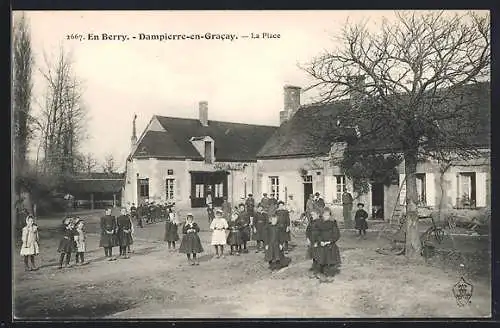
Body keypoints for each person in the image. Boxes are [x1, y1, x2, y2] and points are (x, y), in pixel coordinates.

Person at [317, 207, 341, 278]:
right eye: (324, 215)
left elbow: (336, 234)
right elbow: (317, 234)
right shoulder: (320, 224)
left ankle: (329, 273)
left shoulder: (333, 224)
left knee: (330, 259)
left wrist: (329, 241)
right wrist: (320, 241)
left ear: (330, 216)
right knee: (321, 259)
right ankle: (322, 272)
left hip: (330, 244)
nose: (326, 216)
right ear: (322, 215)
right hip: (321, 244)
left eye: (327, 215)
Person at [306, 210, 321, 275]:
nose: (312, 216)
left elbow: (322, 233)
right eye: (311, 215)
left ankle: (318, 268)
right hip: (311, 239)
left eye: (314, 215)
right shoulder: (311, 222)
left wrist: (317, 242)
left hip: (317, 240)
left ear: (317, 215)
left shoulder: (320, 222)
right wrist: (307, 238)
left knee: (318, 254)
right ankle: (314, 265)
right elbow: (307, 230)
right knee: (312, 253)